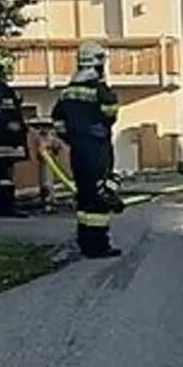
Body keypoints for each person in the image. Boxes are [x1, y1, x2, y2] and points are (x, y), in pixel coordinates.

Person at [51, 41, 124, 258]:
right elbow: (111, 113)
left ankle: (85, 242)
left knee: (84, 198)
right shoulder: (98, 89)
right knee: (99, 198)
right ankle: (98, 246)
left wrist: (72, 138)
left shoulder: (67, 92)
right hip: (97, 150)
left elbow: (58, 121)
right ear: (98, 62)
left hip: (78, 152)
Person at [0, 53, 30, 218]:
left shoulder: (7, 90)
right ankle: (3, 206)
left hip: (10, 140)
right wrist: (9, 125)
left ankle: (6, 204)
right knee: (2, 174)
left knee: (7, 174)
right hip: (1, 139)